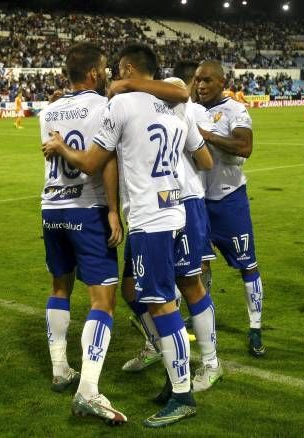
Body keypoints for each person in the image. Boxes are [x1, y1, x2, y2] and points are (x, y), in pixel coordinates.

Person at [44, 44, 210, 428]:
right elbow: (199, 152)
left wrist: (60, 146)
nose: (112, 77)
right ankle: (175, 382)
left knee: (162, 305)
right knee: (153, 297)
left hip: (150, 217)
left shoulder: (122, 105)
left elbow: (90, 162)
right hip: (173, 210)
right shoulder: (171, 107)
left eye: (118, 70)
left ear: (130, 70)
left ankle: (183, 395)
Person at [119, 61, 223, 394]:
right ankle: (159, 346)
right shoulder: (166, 105)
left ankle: (208, 363)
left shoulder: (176, 105)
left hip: (180, 202)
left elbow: (205, 161)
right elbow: (205, 160)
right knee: (132, 288)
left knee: (185, 286)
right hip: (150, 206)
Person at [39, 42, 126, 424]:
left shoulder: (48, 110)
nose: (107, 73)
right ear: (94, 72)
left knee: (60, 287)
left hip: (51, 207)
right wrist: (112, 211)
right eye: (105, 68)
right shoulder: (104, 108)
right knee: (102, 300)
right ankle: (88, 389)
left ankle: (60, 367)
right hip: (85, 210)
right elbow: (104, 163)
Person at [195, 60, 266, 358]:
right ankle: (203, 320)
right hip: (197, 201)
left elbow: (244, 147)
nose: (201, 85)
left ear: (222, 82)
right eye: (197, 80)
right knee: (199, 265)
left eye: (207, 80)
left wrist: (207, 135)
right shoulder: (191, 109)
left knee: (246, 264)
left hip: (229, 199)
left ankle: (255, 327)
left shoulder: (235, 110)